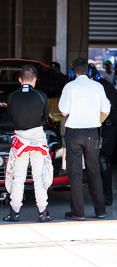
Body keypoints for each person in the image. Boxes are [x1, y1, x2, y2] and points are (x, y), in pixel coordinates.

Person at [58, 57, 111, 221]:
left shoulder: (70, 86)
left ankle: (78, 213)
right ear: (88, 71)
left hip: (74, 133)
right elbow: (107, 109)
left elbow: (63, 111)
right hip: (92, 133)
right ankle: (100, 211)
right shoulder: (98, 86)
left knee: (75, 174)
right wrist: (97, 120)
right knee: (94, 172)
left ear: (73, 71)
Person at [3, 64, 53, 222]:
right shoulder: (41, 95)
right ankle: (43, 213)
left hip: (20, 141)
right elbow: (45, 118)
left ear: (19, 79)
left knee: (18, 178)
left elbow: (11, 117)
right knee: (39, 177)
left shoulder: (11, 96)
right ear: (35, 80)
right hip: (38, 139)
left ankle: (14, 213)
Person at [88, 63, 117, 206]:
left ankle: (107, 196)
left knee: (103, 161)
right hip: (93, 128)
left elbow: (107, 111)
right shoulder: (86, 87)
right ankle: (98, 195)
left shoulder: (105, 87)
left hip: (108, 128)